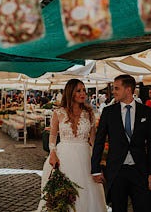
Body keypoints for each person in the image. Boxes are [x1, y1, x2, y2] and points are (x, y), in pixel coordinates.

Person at [91, 75, 151, 211]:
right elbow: (99, 141)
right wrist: (95, 169)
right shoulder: (108, 112)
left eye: (117, 88)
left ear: (128, 90)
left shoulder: (146, 112)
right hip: (116, 171)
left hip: (140, 171)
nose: (113, 91)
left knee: (144, 208)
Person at [37, 79, 106, 211]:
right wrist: (52, 153)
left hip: (85, 157)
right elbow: (52, 135)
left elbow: (94, 140)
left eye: (84, 90)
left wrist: (98, 163)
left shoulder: (89, 113)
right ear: (70, 92)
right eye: (79, 91)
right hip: (64, 157)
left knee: (87, 192)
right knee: (62, 194)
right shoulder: (58, 112)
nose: (83, 94)